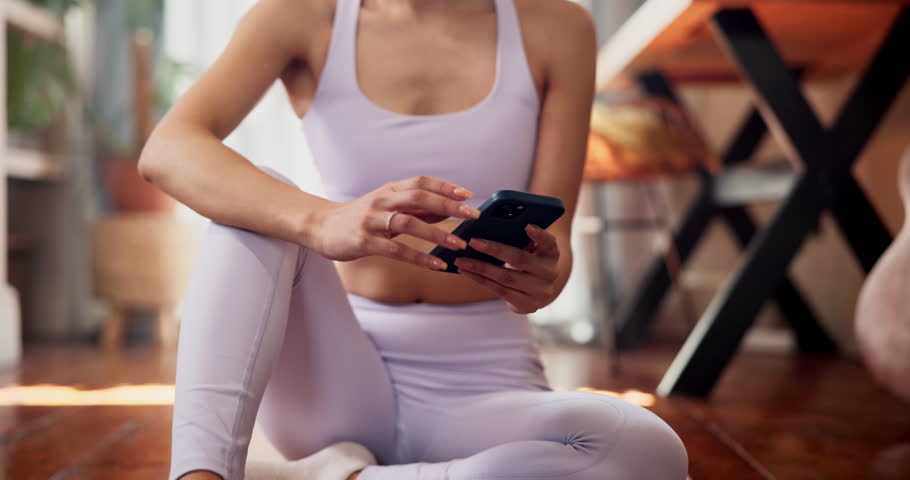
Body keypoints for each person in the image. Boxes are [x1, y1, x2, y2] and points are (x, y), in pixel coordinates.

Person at [139, 0, 688, 479]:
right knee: (255, 208)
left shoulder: (558, 25)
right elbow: (168, 149)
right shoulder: (303, 14)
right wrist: (324, 220)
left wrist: (546, 273)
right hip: (335, 380)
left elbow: (558, 237)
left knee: (645, 448)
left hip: (487, 387)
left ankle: (335, 478)